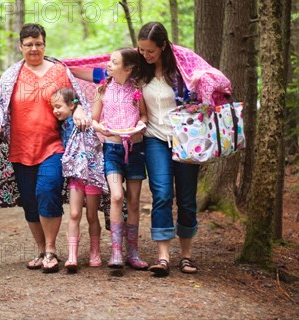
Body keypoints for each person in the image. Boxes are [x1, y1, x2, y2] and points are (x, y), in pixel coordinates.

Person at [63, 22, 231, 277]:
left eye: (150, 50)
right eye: (141, 49)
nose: (145, 54)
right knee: (162, 193)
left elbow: (210, 89)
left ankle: (186, 256)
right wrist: (66, 68)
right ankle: (163, 256)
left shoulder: (184, 73)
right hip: (154, 139)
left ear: (163, 47)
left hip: (185, 141)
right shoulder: (139, 72)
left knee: (186, 198)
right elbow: (101, 75)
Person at [0, 23, 93, 274]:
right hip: (20, 149)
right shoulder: (11, 75)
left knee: (47, 191)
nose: (34, 48)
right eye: (29, 44)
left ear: (45, 44)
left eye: (39, 44)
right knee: (30, 203)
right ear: (20, 46)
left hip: (52, 146)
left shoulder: (59, 71)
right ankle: (41, 250)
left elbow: (74, 97)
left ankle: (52, 250)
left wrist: (79, 110)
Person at [92, 48, 149, 270]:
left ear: (128, 68)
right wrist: (101, 128)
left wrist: (141, 125)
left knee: (134, 200)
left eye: (114, 62)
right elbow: (94, 119)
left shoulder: (137, 89)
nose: (108, 64)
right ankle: (116, 251)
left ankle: (133, 253)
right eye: (109, 60)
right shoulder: (102, 88)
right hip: (112, 149)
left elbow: (144, 115)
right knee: (117, 197)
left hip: (136, 149)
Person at [50, 87, 105, 272]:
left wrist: (80, 109)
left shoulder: (82, 119)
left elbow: (93, 123)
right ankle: (72, 255)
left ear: (71, 106)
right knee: (74, 214)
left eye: (58, 106)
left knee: (91, 215)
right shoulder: (61, 123)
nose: (55, 110)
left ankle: (95, 252)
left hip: (91, 174)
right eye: (53, 107)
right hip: (76, 175)